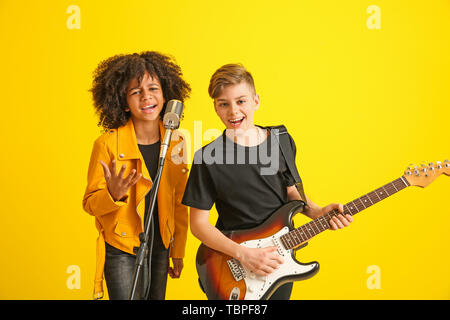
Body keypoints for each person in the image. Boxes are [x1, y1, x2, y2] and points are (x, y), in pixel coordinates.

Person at [182, 63, 353, 300]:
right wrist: (243, 254)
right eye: (224, 104)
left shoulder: (280, 141)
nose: (233, 111)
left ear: (256, 101)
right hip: (234, 265)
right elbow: (199, 225)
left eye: (241, 101)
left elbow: (291, 193)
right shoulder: (207, 158)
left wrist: (318, 212)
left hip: (278, 258)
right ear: (216, 108)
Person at [82, 51, 191, 300]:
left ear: (166, 95)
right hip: (122, 247)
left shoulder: (178, 143)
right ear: (123, 102)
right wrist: (113, 194)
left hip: (161, 246)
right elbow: (89, 204)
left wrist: (178, 250)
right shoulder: (106, 144)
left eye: (153, 88)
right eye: (135, 92)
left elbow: (180, 201)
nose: (146, 96)